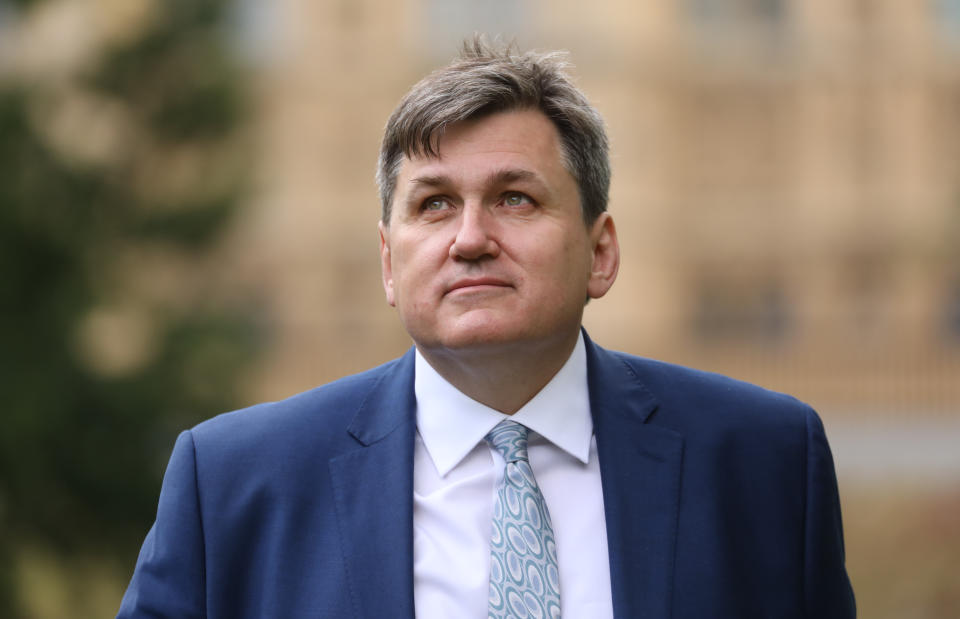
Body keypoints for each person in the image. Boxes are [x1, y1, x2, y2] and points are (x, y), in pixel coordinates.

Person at [118, 37, 855, 618]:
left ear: (600, 253)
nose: (469, 237)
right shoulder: (235, 486)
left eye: (514, 199)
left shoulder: (765, 462)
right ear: (387, 260)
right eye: (434, 203)